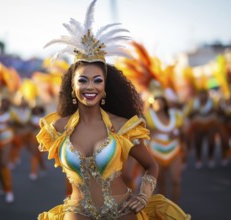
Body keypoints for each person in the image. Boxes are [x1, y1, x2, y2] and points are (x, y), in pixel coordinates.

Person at [36, 1, 190, 219]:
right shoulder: (57, 128)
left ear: (105, 86)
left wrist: (144, 196)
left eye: (97, 80)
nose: (90, 87)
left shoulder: (123, 127)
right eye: (83, 80)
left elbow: (150, 166)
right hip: (77, 213)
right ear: (73, 85)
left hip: (122, 212)